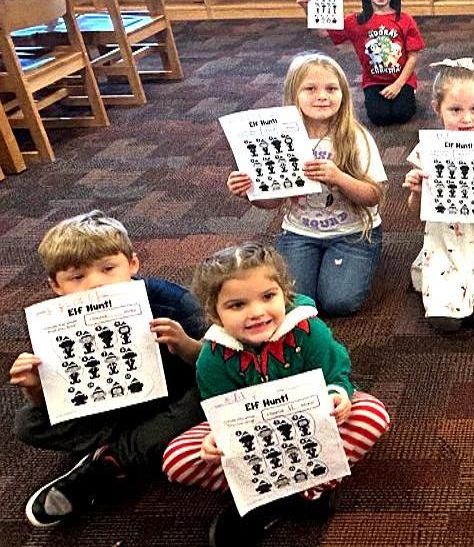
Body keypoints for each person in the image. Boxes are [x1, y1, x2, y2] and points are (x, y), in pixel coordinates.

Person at [162, 243, 390, 546]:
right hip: (255, 443)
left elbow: (336, 373)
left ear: (285, 293)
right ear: (214, 314)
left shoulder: (309, 330)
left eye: (268, 297)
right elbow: (219, 412)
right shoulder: (212, 358)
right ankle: (298, 495)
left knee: (372, 414)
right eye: (237, 305)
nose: (257, 313)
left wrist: (337, 395)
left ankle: (276, 497)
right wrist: (215, 441)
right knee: (177, 459)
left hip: (311, 427)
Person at [13, 211, 206, 528]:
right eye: (77, 277)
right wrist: (35, 386)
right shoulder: (53, 324)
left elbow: (219, 364)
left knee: (205, 398)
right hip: (109, 408)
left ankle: (107, 463)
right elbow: (59, 398)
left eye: (108, 269)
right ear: (55, 285)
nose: (96, 284)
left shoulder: (175, 303)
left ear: (133, 264)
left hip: (170, 400)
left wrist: (185, 345)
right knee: (27, 423)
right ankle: (135, 449)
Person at [225, 52, 386, 316]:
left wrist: (338, 177)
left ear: (343, 94)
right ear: (294, 94)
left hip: (353, 232)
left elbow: (373, 195)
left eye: (331, 89)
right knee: (295, 303)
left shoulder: (355, 137)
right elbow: (272, 202)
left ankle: (366, 257)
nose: (322, 96)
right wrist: (248, 192)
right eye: (310, 89)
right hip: (300, 232)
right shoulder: (282, 139)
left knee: (338, 303)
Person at [402, 60, 474, 332]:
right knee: (445, 322)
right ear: (436, 109)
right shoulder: (427, 150)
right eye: (455, 110)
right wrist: (416, 191)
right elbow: (418, 213)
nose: (466, 119)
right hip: (443, 242)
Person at [295, 0, 425, 126]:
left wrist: (399, 85)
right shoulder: (356, 21)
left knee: (402, 114)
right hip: (373, 81)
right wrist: (307, 7)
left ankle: (409, 93)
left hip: (402, 79)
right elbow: (323, 32)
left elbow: (414, 55)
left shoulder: (404, 20)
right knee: (380, 118)